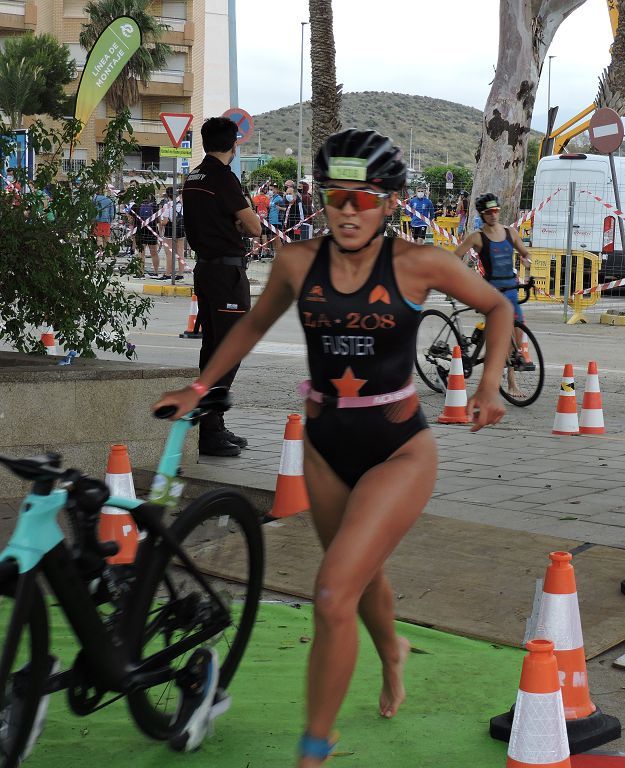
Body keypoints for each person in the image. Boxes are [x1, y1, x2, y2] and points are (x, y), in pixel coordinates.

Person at [153, 129, 511, 766]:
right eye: (336, 196)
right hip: (323, 450)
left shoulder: (419, 263)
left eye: (364, 199)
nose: (348, 210)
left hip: (399, 450)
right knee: (359, 573)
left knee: (331, 592)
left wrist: (487, 384)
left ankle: (314, 747)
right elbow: (253, 325)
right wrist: (200, 385)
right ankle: (392, 651)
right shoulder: (297, 263)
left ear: (390, 203)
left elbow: (497, 307)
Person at [179, 116, 263, 456]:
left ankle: (213, 426)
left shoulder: (194, 176)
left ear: (204, 142)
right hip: (227, 274)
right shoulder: (222, 178)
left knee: (213, 348)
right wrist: (239, 224)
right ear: (233, 144)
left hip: (206, 269)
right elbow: (254, 226)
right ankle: (210, 432)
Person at [454, 192, 532, 397]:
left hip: (512, 290)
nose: (494, 215)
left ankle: (509, 377)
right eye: (489, 212)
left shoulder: (510, 233)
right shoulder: (477, 237)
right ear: (482, 214)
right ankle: (508, 383)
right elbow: (456, 256)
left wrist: (526, 261)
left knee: (515, 336)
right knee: (499, 336)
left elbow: (525, 253)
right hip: (491, 290)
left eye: (496, 210)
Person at [161, 187, 189, 278]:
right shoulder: (181, 205)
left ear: (167, 195)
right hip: (181, 229)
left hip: (170, 230)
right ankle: (180, 274)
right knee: (180, 252)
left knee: (169, 253)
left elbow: (165, 222)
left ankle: (168, 274)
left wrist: (160, 223)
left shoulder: (167, 205)